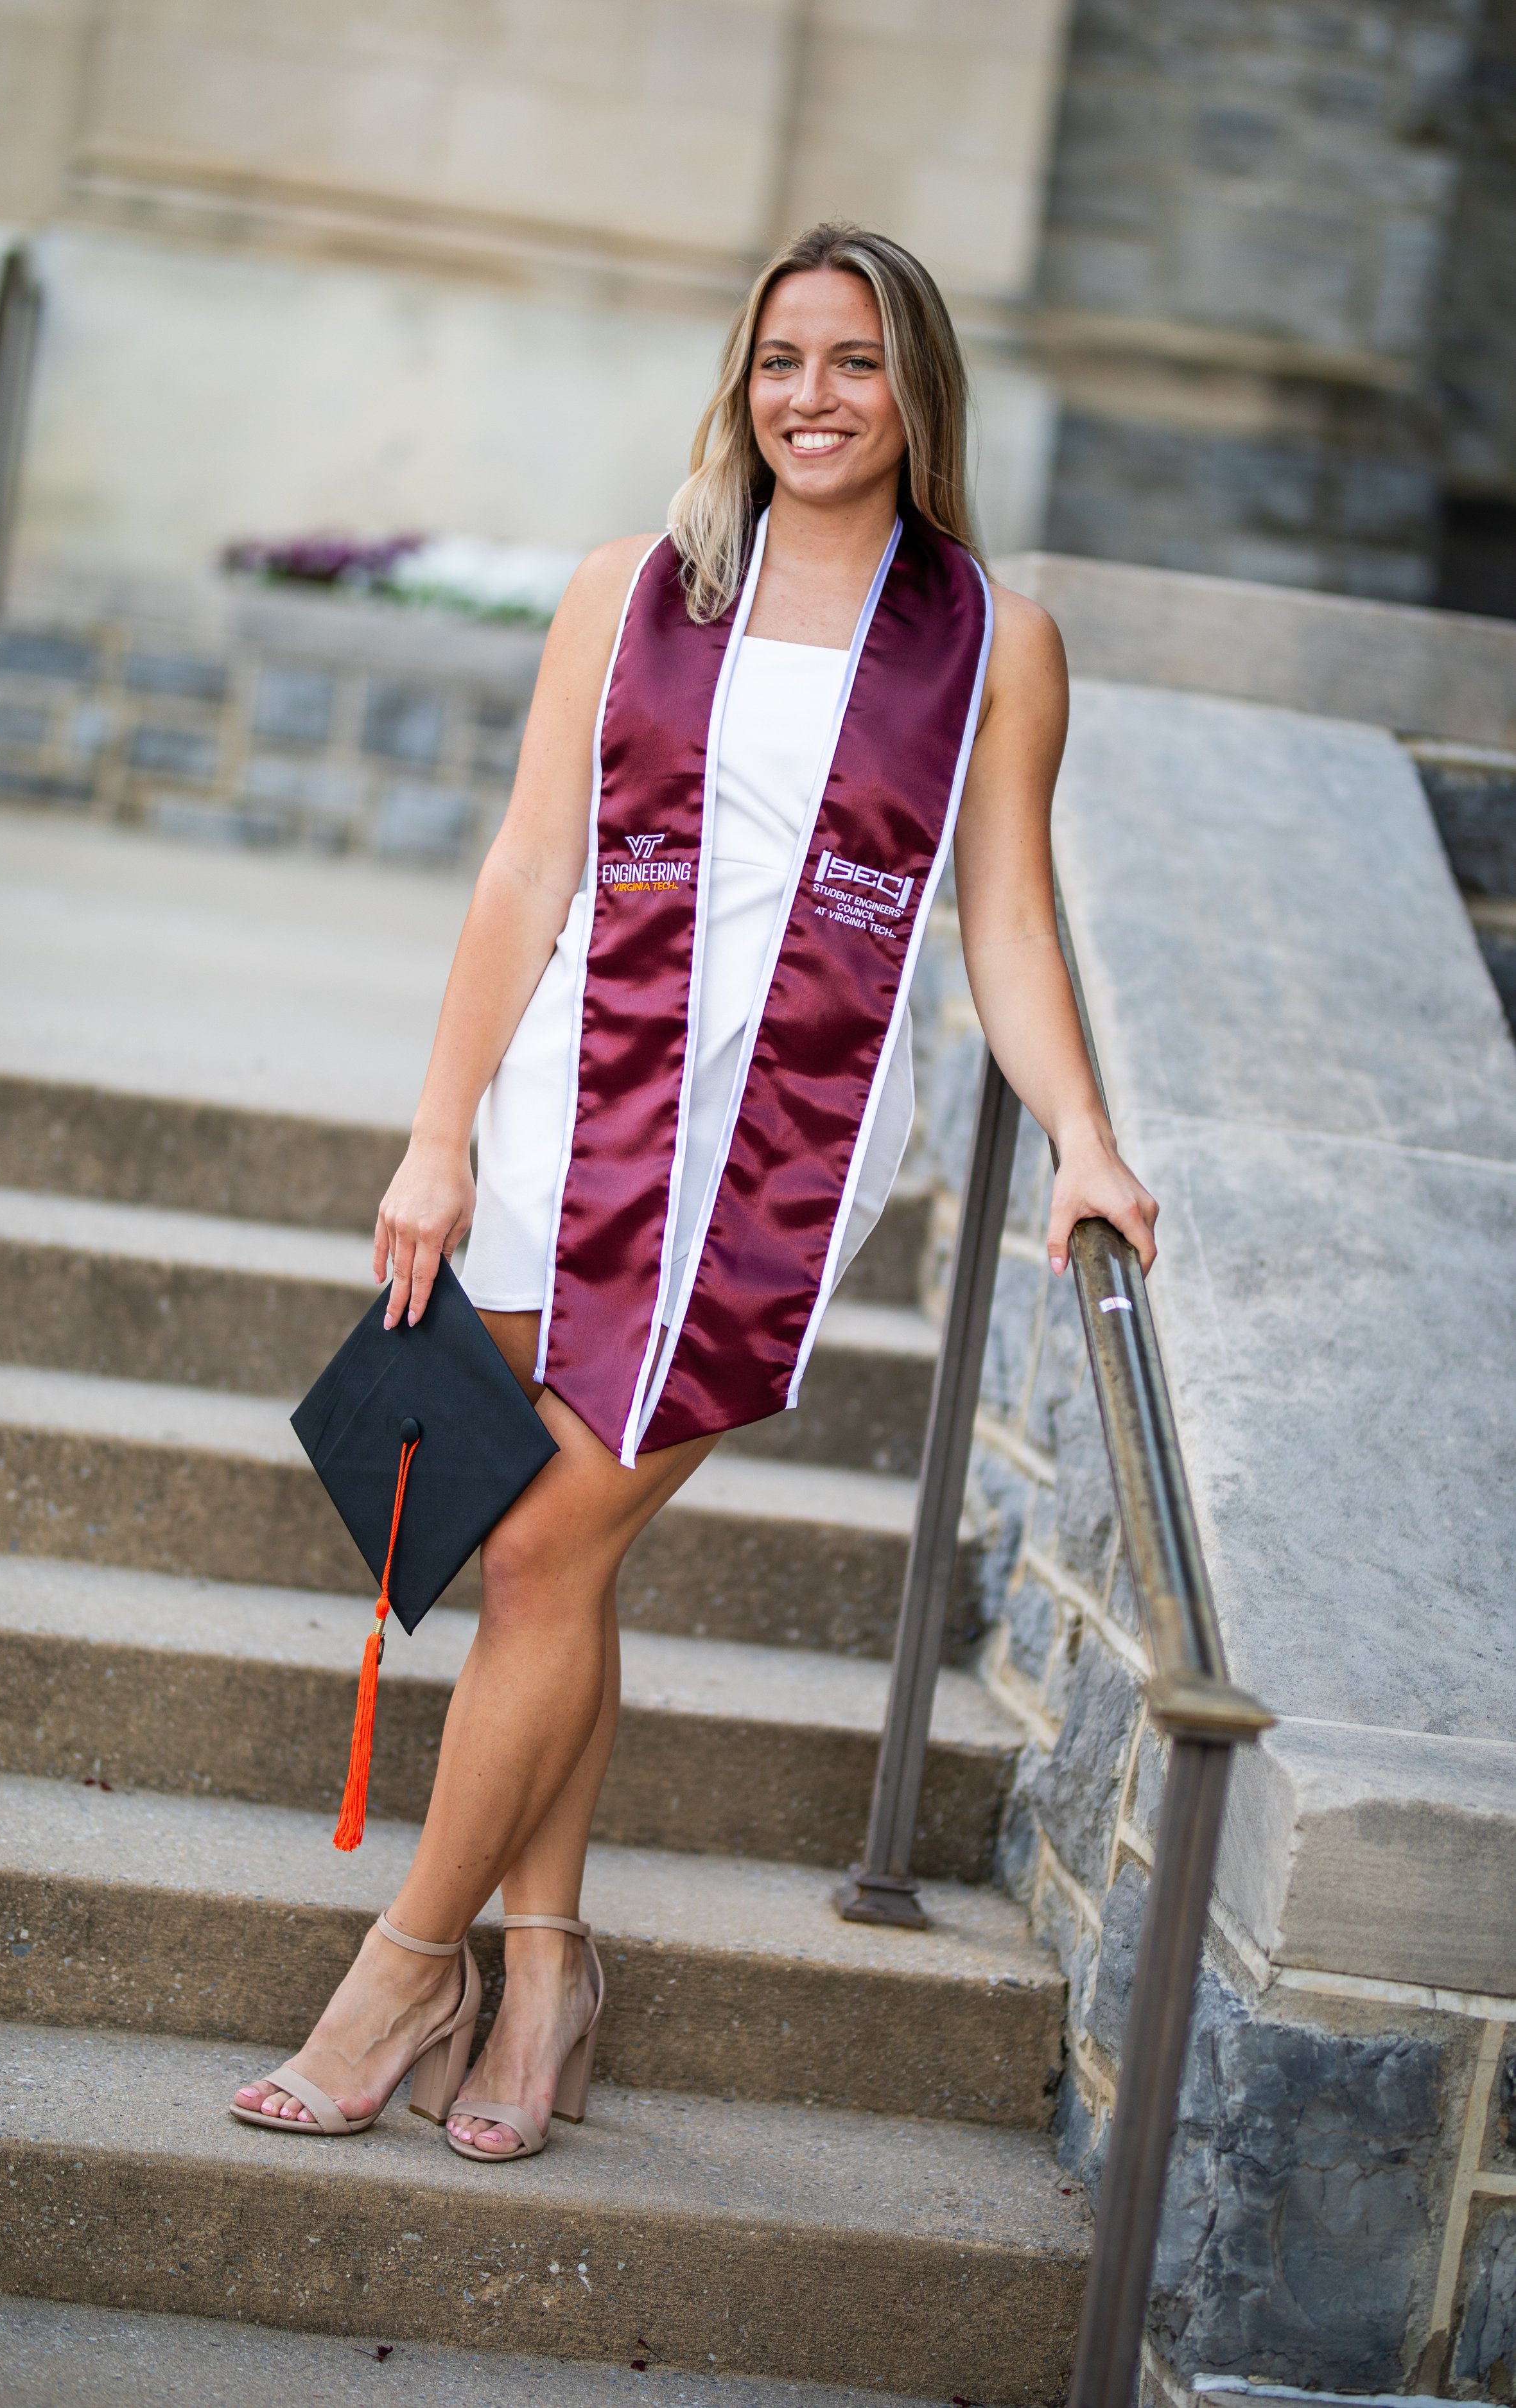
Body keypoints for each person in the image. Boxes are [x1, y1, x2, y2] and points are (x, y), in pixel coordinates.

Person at [230, 220, 1158, 2159]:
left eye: (855, 360)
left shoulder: (992, 641)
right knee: (548, 1563)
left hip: (774, 1156)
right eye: (780, 360)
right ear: (741, 383)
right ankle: (548, 1973)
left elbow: (1001, 916)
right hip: (571, 1111)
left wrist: (1076, 1126)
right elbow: (520, 874)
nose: (811, 397)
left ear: (917, 391)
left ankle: (409, 1964)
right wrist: (435, 1130)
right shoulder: (627, 594)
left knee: (549, 1554)